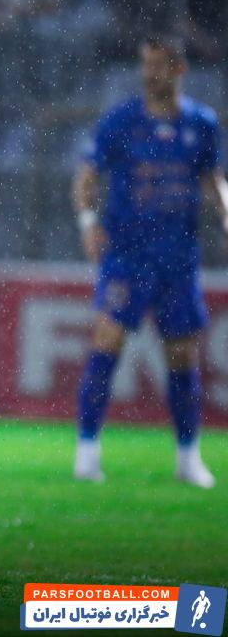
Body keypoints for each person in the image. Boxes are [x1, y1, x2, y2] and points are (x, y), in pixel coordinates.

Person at [72, 35, 223, 489]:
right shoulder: (121, 121)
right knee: (107, 340)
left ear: (179, 69)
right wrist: (88, 222)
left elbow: (214, 179)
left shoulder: (202, 124)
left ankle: (187, 457)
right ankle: (87, 451)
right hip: (126, 254)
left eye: (158, 65)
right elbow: (86, 178)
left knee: (182, 355)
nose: (149, 73)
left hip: (177, 258)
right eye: (145, 64)